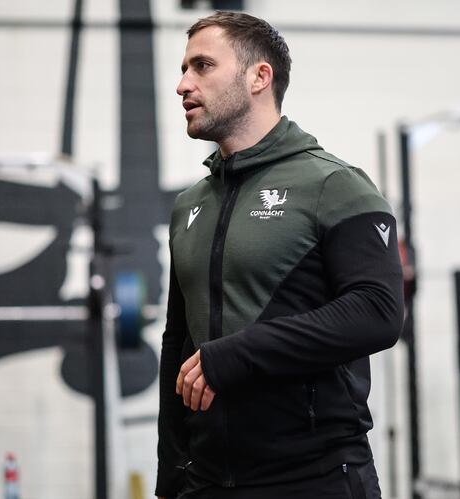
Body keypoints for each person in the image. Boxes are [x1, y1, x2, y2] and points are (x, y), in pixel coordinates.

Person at [156, 12, 403, 499]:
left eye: (202, 66)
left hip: (314, 477)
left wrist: (240, 354)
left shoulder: (334, 186)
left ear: (258, 77)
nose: (183, 84)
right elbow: (177, 343)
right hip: (206, 481)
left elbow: (379, 312)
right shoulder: (190, 206)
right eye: (184, 68)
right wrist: (171, 474)